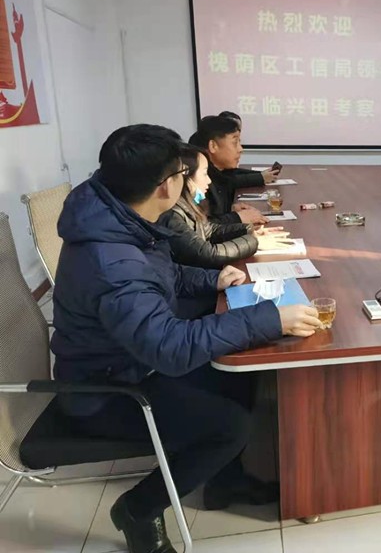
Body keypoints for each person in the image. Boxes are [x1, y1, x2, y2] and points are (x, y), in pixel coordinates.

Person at [51, 124, 322, 553]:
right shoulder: (112, 261)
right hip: (105, 390)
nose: (189, 180)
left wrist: (213, 279)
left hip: (128, 358)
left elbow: (165, 273)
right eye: (183, 172)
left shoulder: (120, 213)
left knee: (238, 374)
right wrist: (269, 318)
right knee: (228, 426)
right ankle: (138, 509)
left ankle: (225, 482)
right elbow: (171, 348)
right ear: (165, 186)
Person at [159, 146, 292, 269]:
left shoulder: (186, 204)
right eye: (204, 174)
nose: (209, 181)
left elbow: (210, 230)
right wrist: (254, 242)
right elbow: (206, 253)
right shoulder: (172, 215)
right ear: (185, 178)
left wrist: (249, 231)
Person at [188, 115, 274, 226]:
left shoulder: (219, 174)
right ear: (213, 146)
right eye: (235, 142)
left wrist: (230, 210)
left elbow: (213, 214)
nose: (240, 149)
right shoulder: (197, 180)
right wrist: (237, 218)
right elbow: (199, 227)